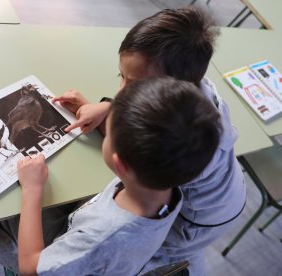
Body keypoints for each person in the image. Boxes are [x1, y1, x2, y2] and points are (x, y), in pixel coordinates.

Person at [0, 77, 222, 275]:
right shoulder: (169, 183)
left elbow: (31, 267)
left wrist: (32, 190)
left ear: (120, 163)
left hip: (43, 257)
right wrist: (101, 109)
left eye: (111, 128)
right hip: (82, 233)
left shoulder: (102, 236)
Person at [53, 7, 246, 275]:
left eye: (134, 85)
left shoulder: (178, 145)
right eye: (121, 76)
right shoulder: (190, 85)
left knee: (156, 252)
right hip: (225, 191)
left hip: (199, 219)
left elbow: (141, 145)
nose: (121, 92)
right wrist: (108, 107)